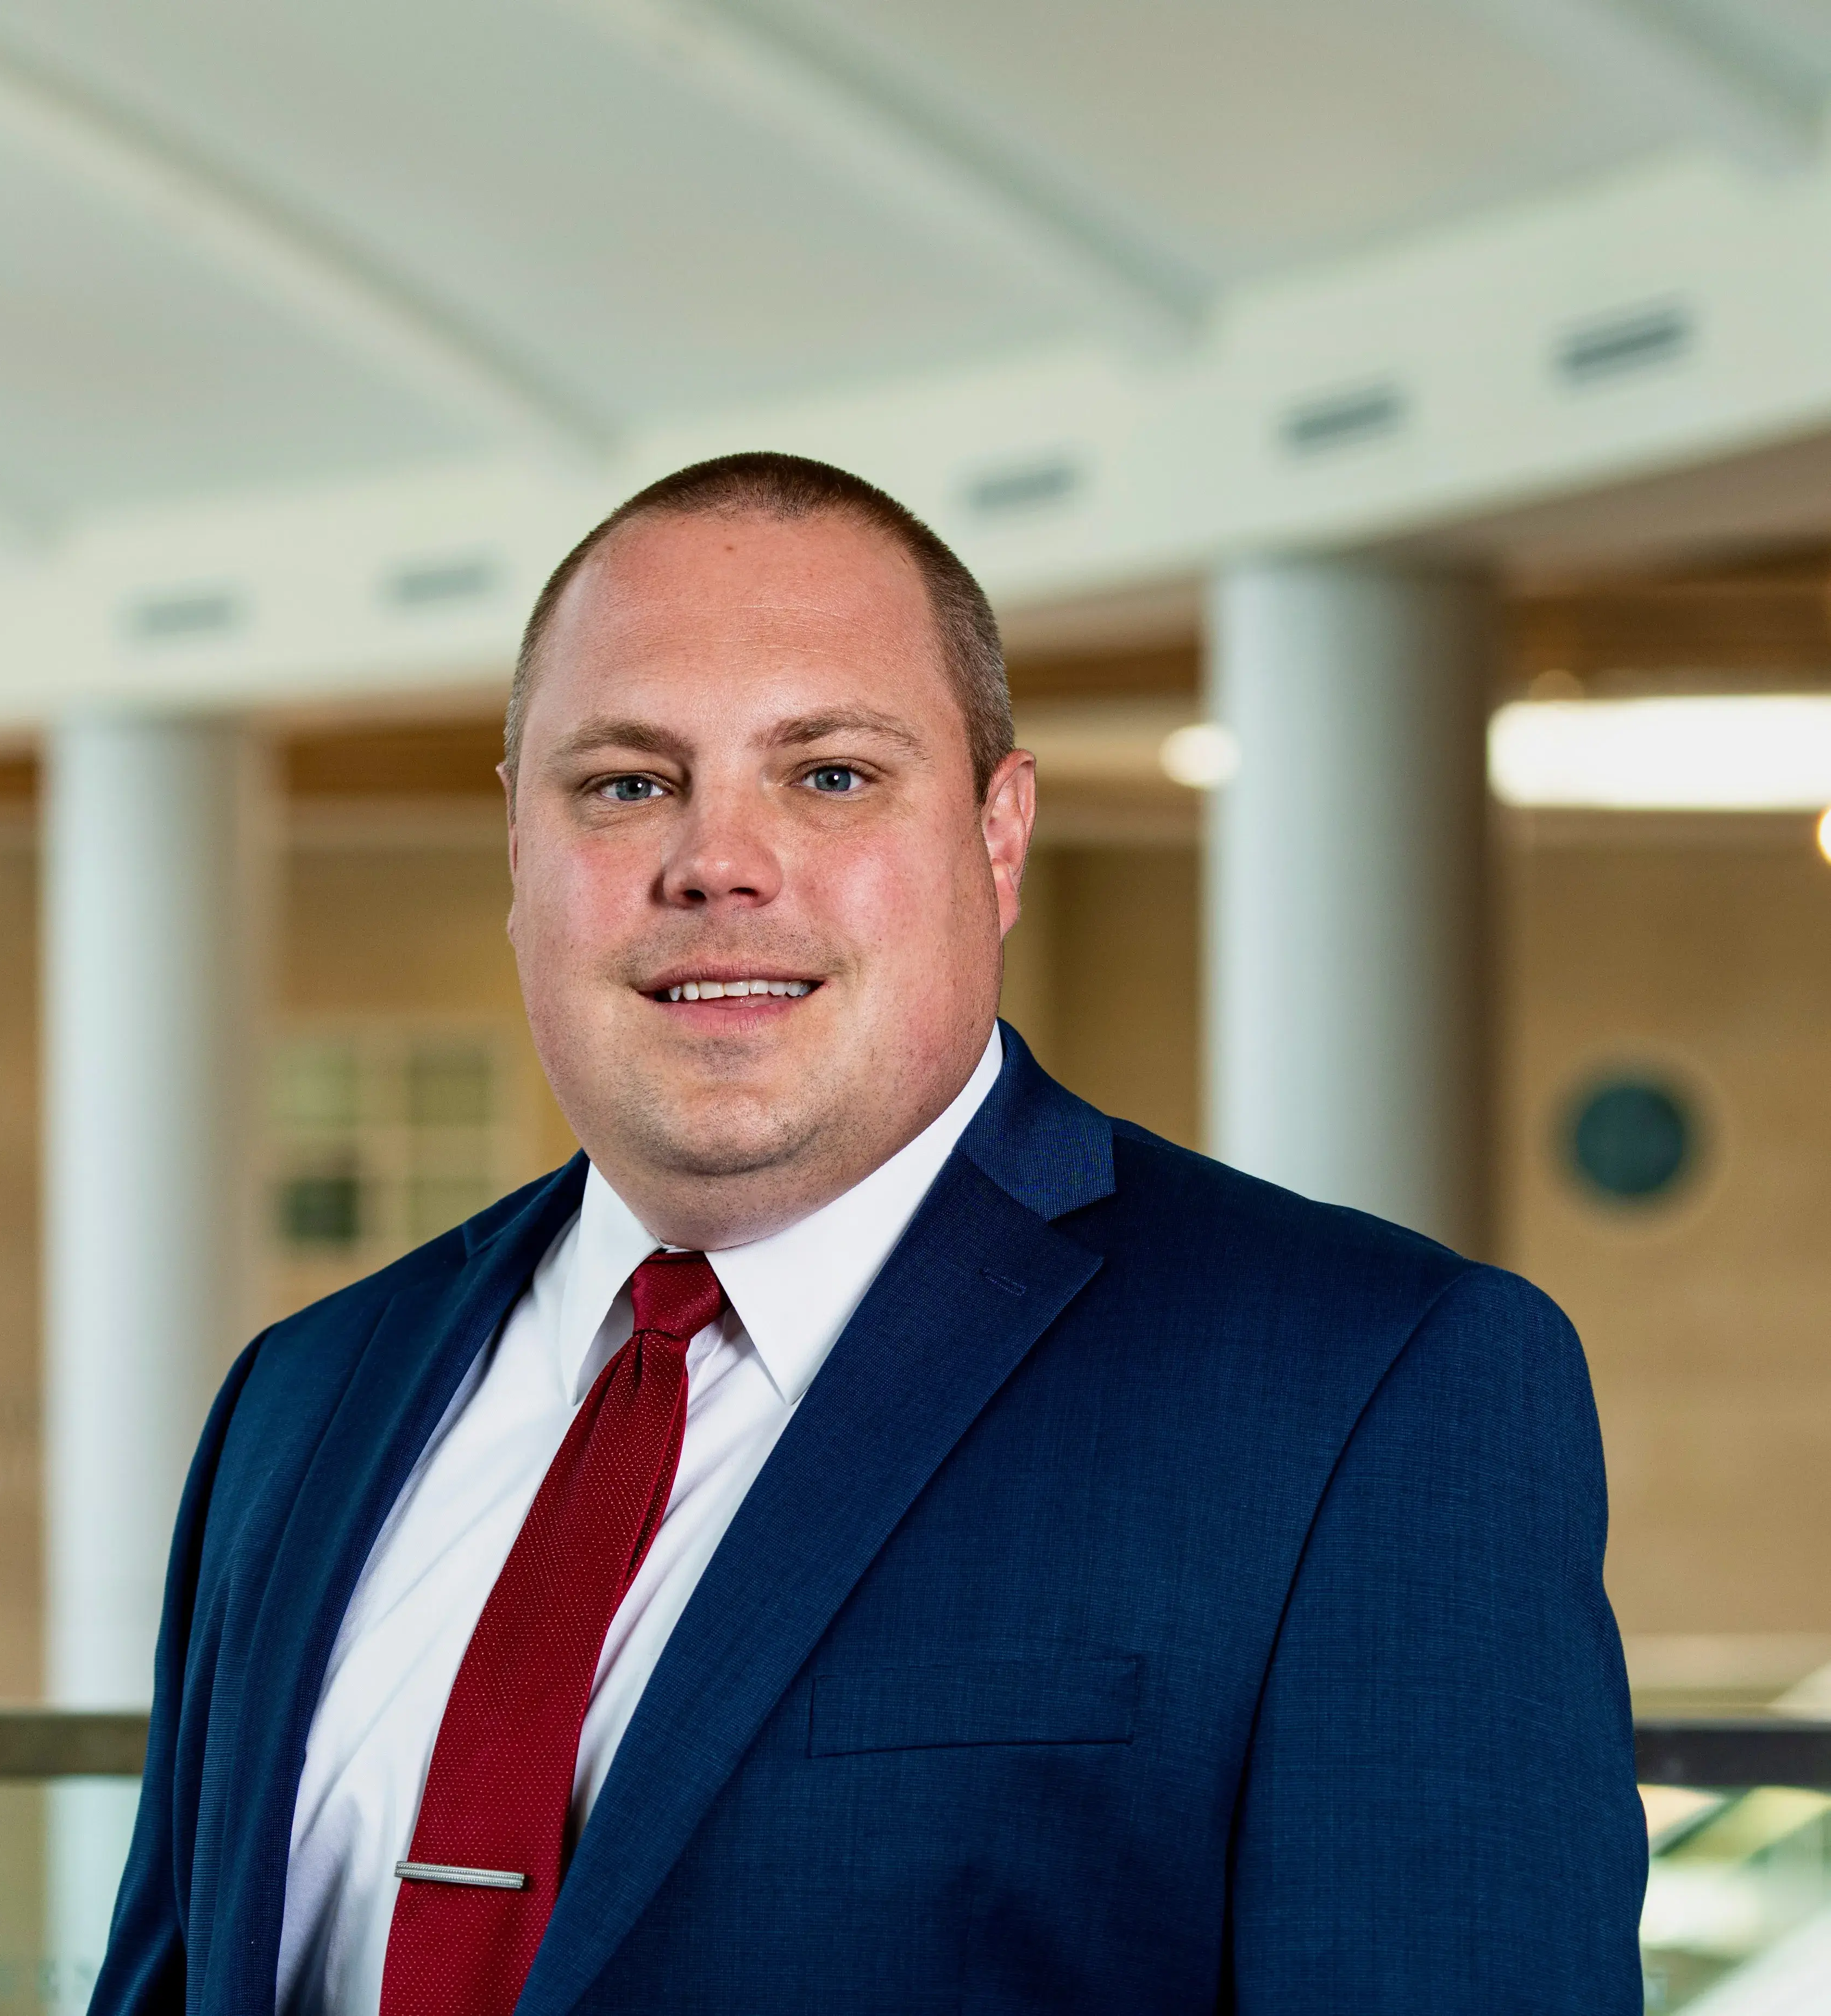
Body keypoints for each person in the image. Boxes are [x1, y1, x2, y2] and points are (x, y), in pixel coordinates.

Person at [94, 452, 1647, 2016]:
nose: (716, 863)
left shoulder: (1359, 1392)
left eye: (828, 774)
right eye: (626, 782)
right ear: (520, 848)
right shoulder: (299, 1402)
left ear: (997, 833)